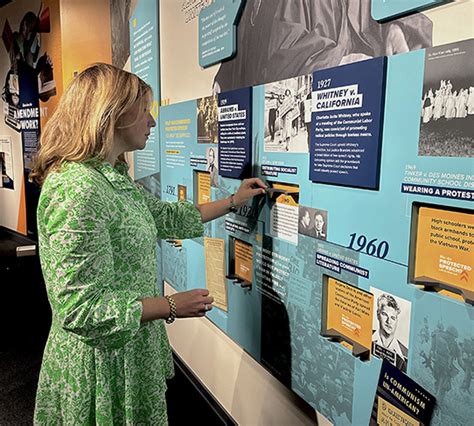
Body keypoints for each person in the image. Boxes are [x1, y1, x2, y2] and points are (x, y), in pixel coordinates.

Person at [30, 63, 267, 424]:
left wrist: (233, 201)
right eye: (144, 111)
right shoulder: (76, 190)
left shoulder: (110, 178)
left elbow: (165, 217)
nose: (152, 122)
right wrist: (171, 304)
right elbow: (79, 310)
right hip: (102, 365)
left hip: (129, 350)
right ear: (112, 114)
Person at [372, 294, 408, 372]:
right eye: (385, 315)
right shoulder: (365, 336)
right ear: (378, 314)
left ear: (396, 321)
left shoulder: (406, 355)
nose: (388, 321)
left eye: (393, 318)